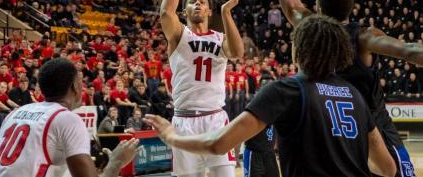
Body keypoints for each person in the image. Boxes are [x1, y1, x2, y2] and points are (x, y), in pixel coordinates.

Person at [222, 0, 422, 176]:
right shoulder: (364, 37)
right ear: (351, 10)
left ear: (316, 8)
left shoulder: (308, 24)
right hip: (370, 124)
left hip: (327, 125)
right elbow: (411, 52)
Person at [145, 15, 396, 177]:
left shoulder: (287, 90)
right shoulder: (354, 96)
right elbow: (386, 168)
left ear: (299, 49)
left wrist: (171, 136)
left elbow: (217, 144)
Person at [0, 58, 140, 177]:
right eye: (80, 82)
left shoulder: (16, 113)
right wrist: (116, 162)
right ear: (74, 86)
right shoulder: (67, 119)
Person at [160, 0, 244, 176]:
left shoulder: (220, 38)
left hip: (214, 118)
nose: (197, 4)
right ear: (184, 10)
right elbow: (166, 14)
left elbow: (237, 52)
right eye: (192, 1)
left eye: (202, 1)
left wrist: (226, 12)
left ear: (209, 10)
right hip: (183, 121)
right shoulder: (179, 35)